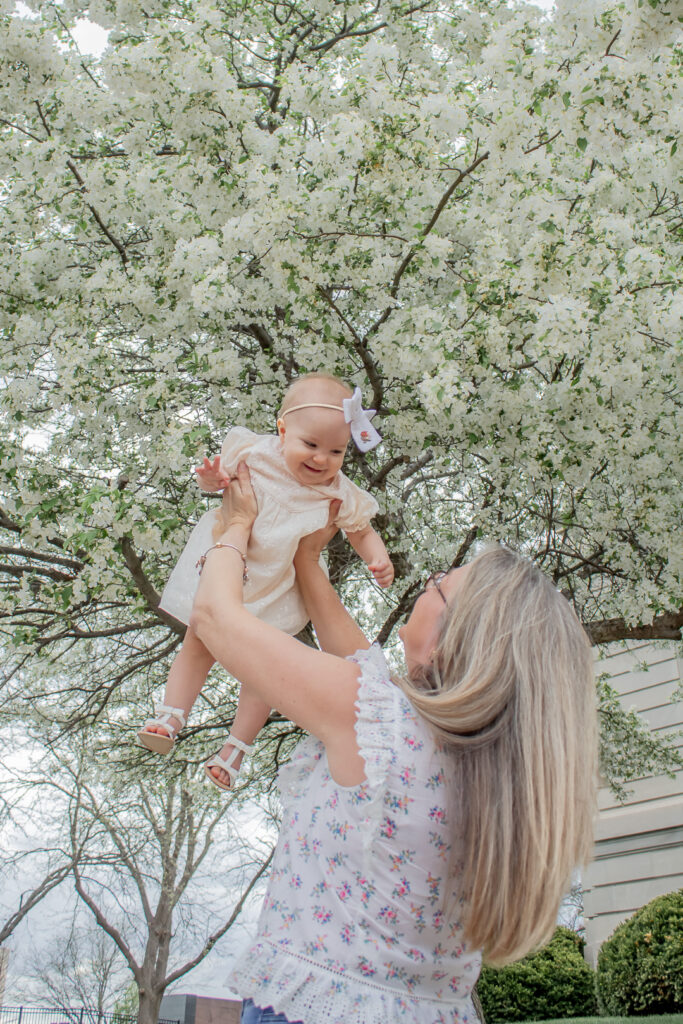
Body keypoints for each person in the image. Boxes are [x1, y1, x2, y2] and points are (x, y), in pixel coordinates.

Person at [189, 463, 599, 1024]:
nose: (427, 583)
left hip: (318, 1008)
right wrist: (307, 558)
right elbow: (353, 655)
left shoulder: (379, 721)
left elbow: (215, 617)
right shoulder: (494, 765)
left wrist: (234, 528)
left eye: (439, 584)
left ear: (454, 634)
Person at [138, 373, 394, 790]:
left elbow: (361, 529)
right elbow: (217, 481)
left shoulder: (339, 491)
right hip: (229, 566)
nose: (321, 459)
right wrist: (209, 478)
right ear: (282, 430)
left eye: (336, 450)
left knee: (265, 671)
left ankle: (237, 747)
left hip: (279, 583)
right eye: (310, 445)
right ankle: (171, 714)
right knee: (199, 639)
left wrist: (377, 556)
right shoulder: (254, 453)